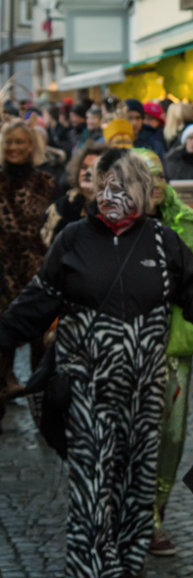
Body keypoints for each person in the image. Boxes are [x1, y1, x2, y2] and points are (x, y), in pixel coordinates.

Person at [0, 148, 193, 578]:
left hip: (144, 396)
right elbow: (35, 302)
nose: (110, 193)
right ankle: (89, 567)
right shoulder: (74, 240)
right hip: (89, 394)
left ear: (141, 191)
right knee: (93, 485)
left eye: (120, 185)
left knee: (137, 488)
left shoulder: (162, 241)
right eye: (104, 185)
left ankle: (127, 560)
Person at [132, 148, 193, 556]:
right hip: (130, 345)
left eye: (158, 176)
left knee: (170, 437)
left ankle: (155, 515)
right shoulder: (116, 227)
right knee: (133, 433)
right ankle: (133, 516)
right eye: (143, 176)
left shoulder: (183, 221)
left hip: (174, 347)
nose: (153, 184)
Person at [0, 119, 55, 391]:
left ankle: (40, 387)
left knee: (40, 333)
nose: (14, 147)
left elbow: (30, 225)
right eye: (8, 142)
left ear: (30, 145)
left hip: (35, 266)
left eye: (19, 141)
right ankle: (5, 379)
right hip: (2, 267)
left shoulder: (45, 182)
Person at [41, 141, 108, 247]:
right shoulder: (61, 207)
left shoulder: (113, 210)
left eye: (95, 168)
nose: (87, 173)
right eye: (84, 167)